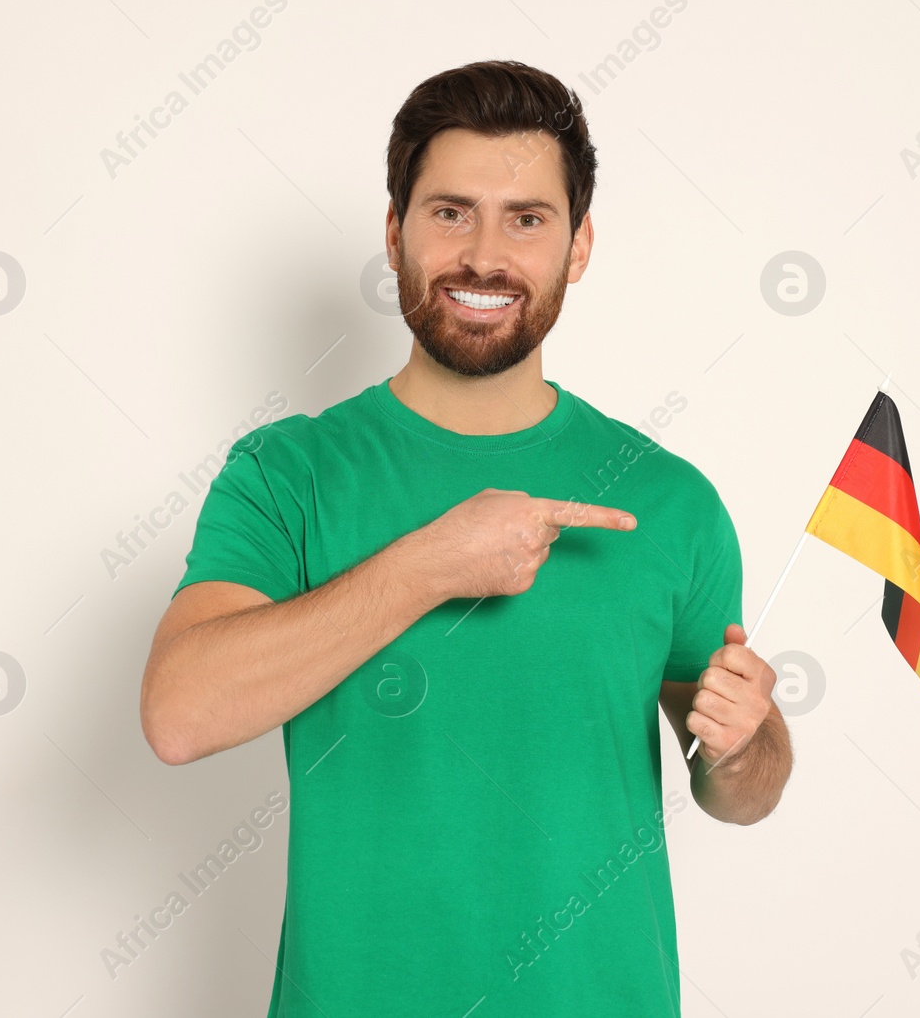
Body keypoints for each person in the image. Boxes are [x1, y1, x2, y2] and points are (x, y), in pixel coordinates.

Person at [139, 59, 793, 1017]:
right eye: (451, 212)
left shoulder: (669, 499)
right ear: (396, 234)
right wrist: (429, 565)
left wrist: (747, 745)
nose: (485, 255)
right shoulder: (289, 472)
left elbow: (739, 790)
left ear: (578, 247)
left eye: (527, 219)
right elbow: (179, 714)